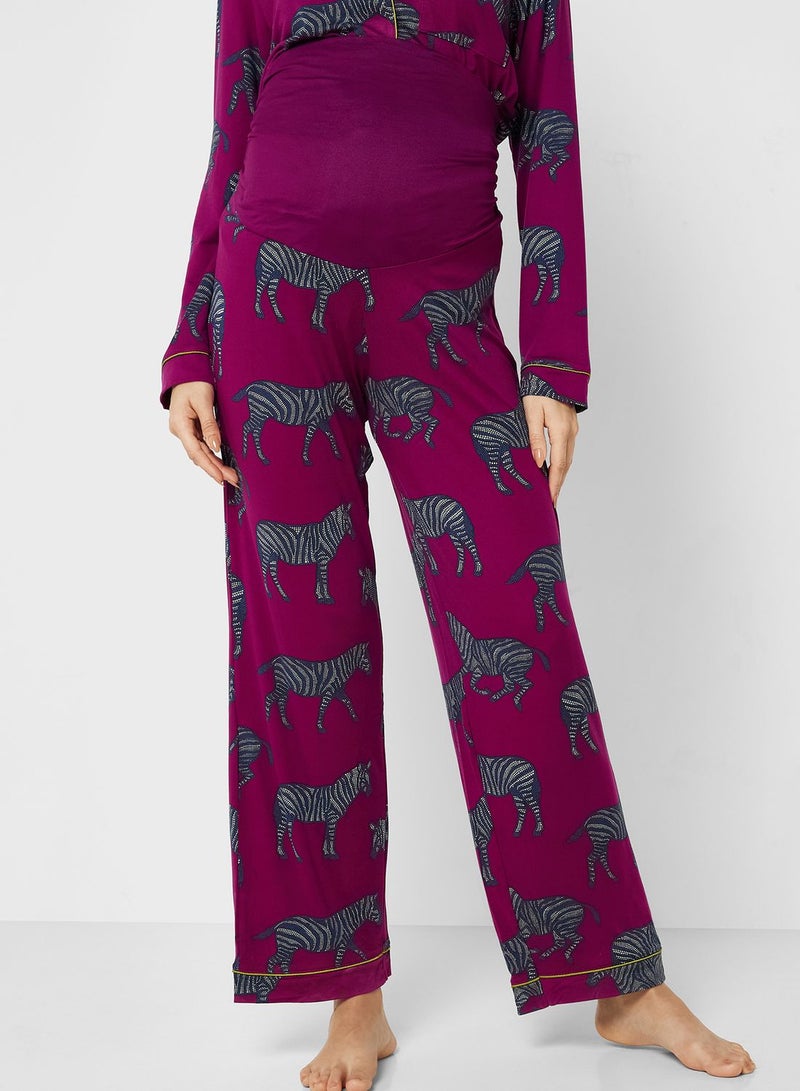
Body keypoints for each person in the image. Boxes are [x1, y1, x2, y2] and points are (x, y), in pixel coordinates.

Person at [159, 2, 756, 1087]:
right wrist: (190, 342)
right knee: (305, 639)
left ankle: (617, 978)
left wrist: (555, 363)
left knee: (514, 619)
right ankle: (350, 995)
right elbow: (232, 128)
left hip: (441, 299)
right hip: (272, 292)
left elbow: (549, 141)